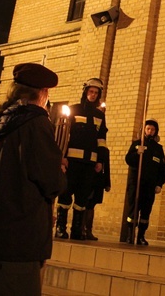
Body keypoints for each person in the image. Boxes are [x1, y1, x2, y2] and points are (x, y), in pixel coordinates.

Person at [0, 63, 66, 296]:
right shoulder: (35, 122)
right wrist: (59, 170)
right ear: (42, 93)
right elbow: (49, 179)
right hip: (17, 234)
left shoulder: (1, 119)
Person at [56, 78, 110, 240]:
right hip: (71, 161)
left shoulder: (100, 115)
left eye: (96, 93)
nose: (93, 95)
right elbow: (63, 136)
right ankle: (60, 227)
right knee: (65, 194)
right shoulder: (74, 110)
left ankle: (77, 230)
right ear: (85, 92)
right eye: (90, 92)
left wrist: (100, 161)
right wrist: (62, 158)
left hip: (90, 163)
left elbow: (101, 140)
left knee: (83, 196)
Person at [124, 119, 165, 246]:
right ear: (144, 130)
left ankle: (141, 236)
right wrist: (137, 153)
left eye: (152, 129)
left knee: (146, 211)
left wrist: (160, 184)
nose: (150, 131)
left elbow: (162, 168)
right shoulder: (137, 144)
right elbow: (128, 160)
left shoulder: (158, 149)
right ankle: (130, 234)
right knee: (132, 210)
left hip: (150, 185)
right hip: (136, 183)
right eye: (148, 129)